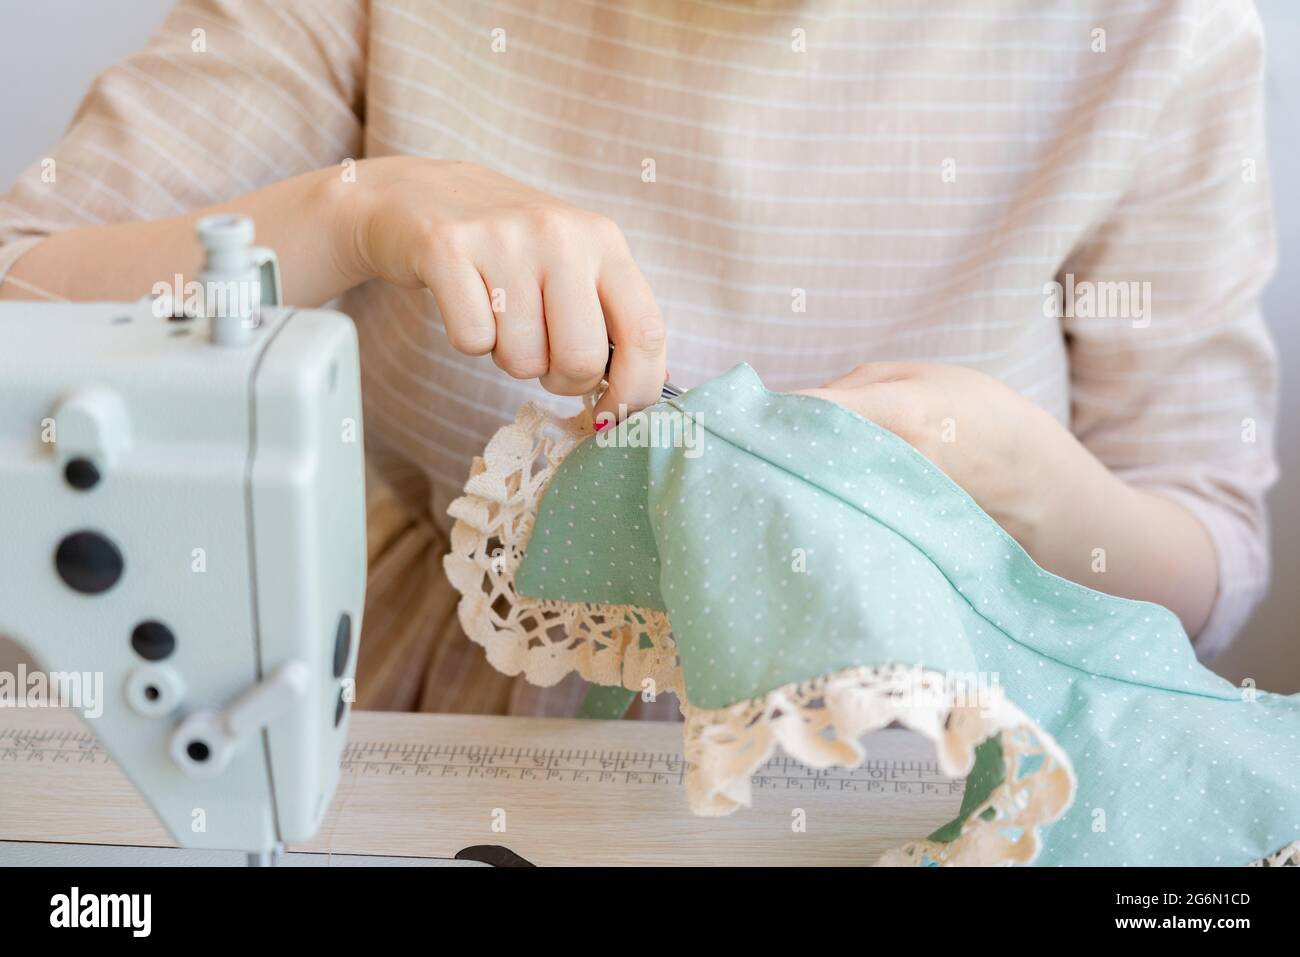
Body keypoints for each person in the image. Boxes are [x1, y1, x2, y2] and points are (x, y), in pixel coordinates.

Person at [0, 0, 1277, 717]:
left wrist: (1026, 484)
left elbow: (1203, 580)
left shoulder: (1153, 34)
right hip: (431, 735)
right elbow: (22, 309)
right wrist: (354, 209)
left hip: (936, 784)